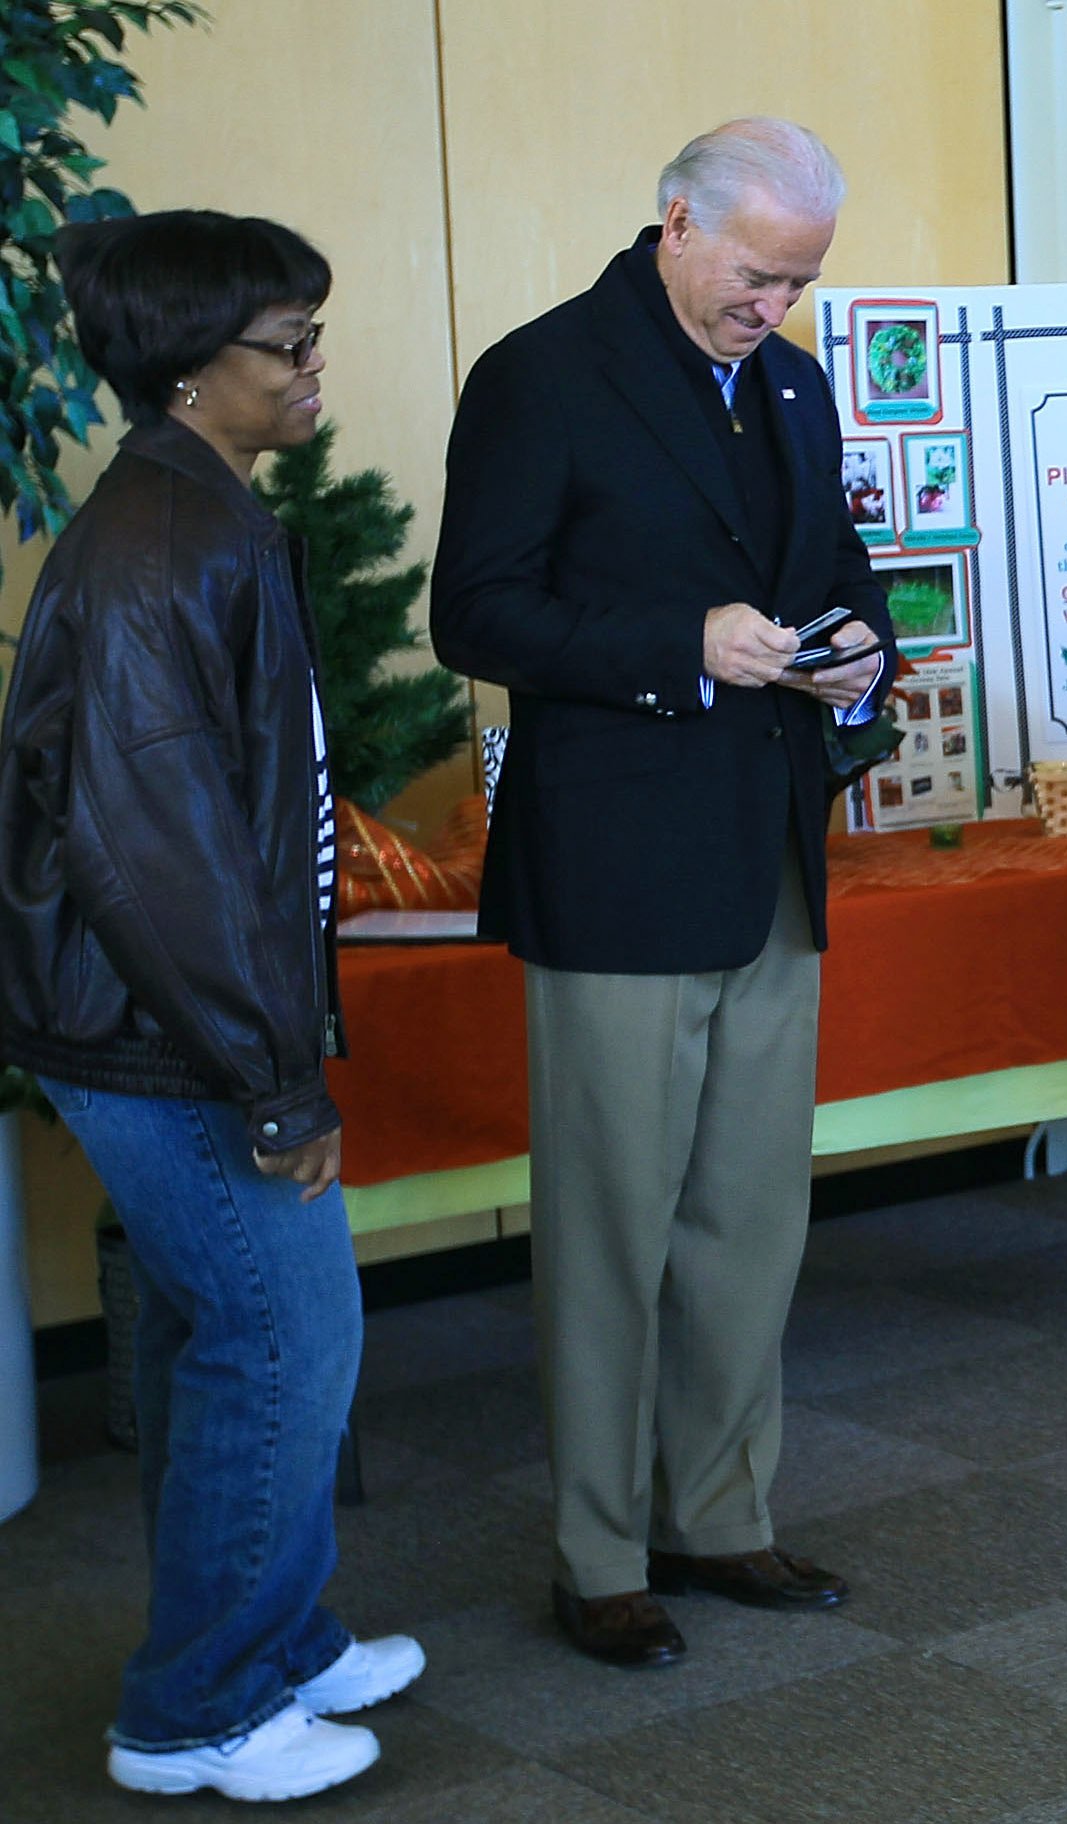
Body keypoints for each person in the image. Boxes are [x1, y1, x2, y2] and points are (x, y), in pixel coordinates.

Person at [431, 119, 886, 1668]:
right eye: (758, 277)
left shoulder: (796, 382)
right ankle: (598, 1552)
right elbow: (474, 612)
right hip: (617, 863)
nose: (777, 309)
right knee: (615, 1228)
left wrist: (862, 653)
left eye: (800, 286)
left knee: (749, 1221)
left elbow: (842, 564)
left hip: (769, 850)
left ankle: (722, 1518)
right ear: (676, 223)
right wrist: (679, 646)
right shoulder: (543, 373)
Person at [0, 212, 424, 1801]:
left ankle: (279, 1643)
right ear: (191, 374)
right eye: (286, 343)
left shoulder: (199, 515)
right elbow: (158, 862)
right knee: (281, 1339)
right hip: (165, 1036)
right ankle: (195, 1714)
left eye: (314, 331)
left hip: (170, 1024)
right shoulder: (161, 551)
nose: (315, 366)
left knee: (232, 1339)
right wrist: (271, 1079)